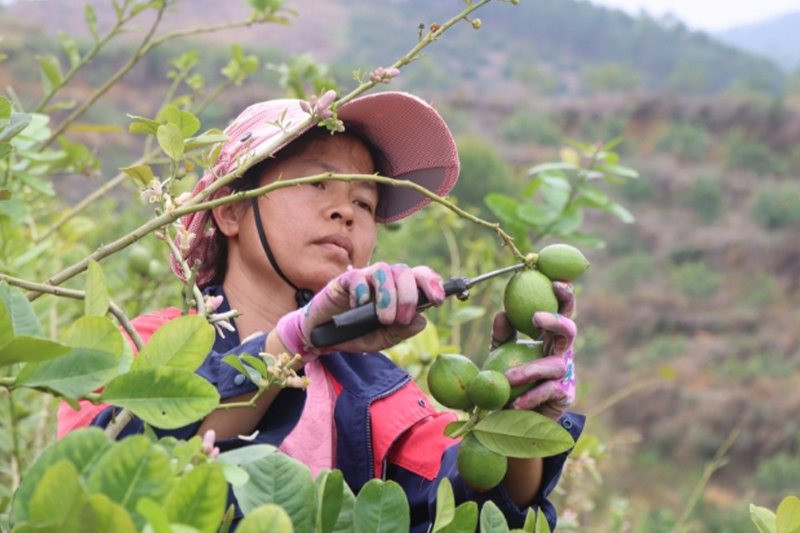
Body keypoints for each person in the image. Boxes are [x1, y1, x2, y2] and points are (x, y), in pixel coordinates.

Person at [57, 91, 584, 531]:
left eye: (365, 203)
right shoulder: (140, 347)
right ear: (231, 209)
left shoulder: (382, 392)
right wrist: (294, 343)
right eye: (315, 182)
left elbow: (469, 508)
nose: (344, 212)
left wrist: (517, 423)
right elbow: (98, 475)